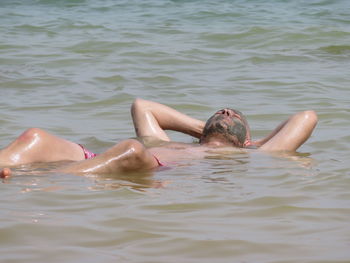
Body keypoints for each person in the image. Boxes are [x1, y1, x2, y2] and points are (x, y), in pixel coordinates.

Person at [0, 98, 318, 178]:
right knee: (35, 136)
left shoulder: (255, 154)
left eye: (235, 116)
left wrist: (250, 145)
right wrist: (206, 131)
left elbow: (306, 117)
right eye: (221, 111)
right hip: (105, 161)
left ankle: (47, 180)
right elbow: (143, 106)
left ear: (249, 139)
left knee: (131, 148)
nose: (225, 111)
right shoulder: (166, 142)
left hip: (149, 166)